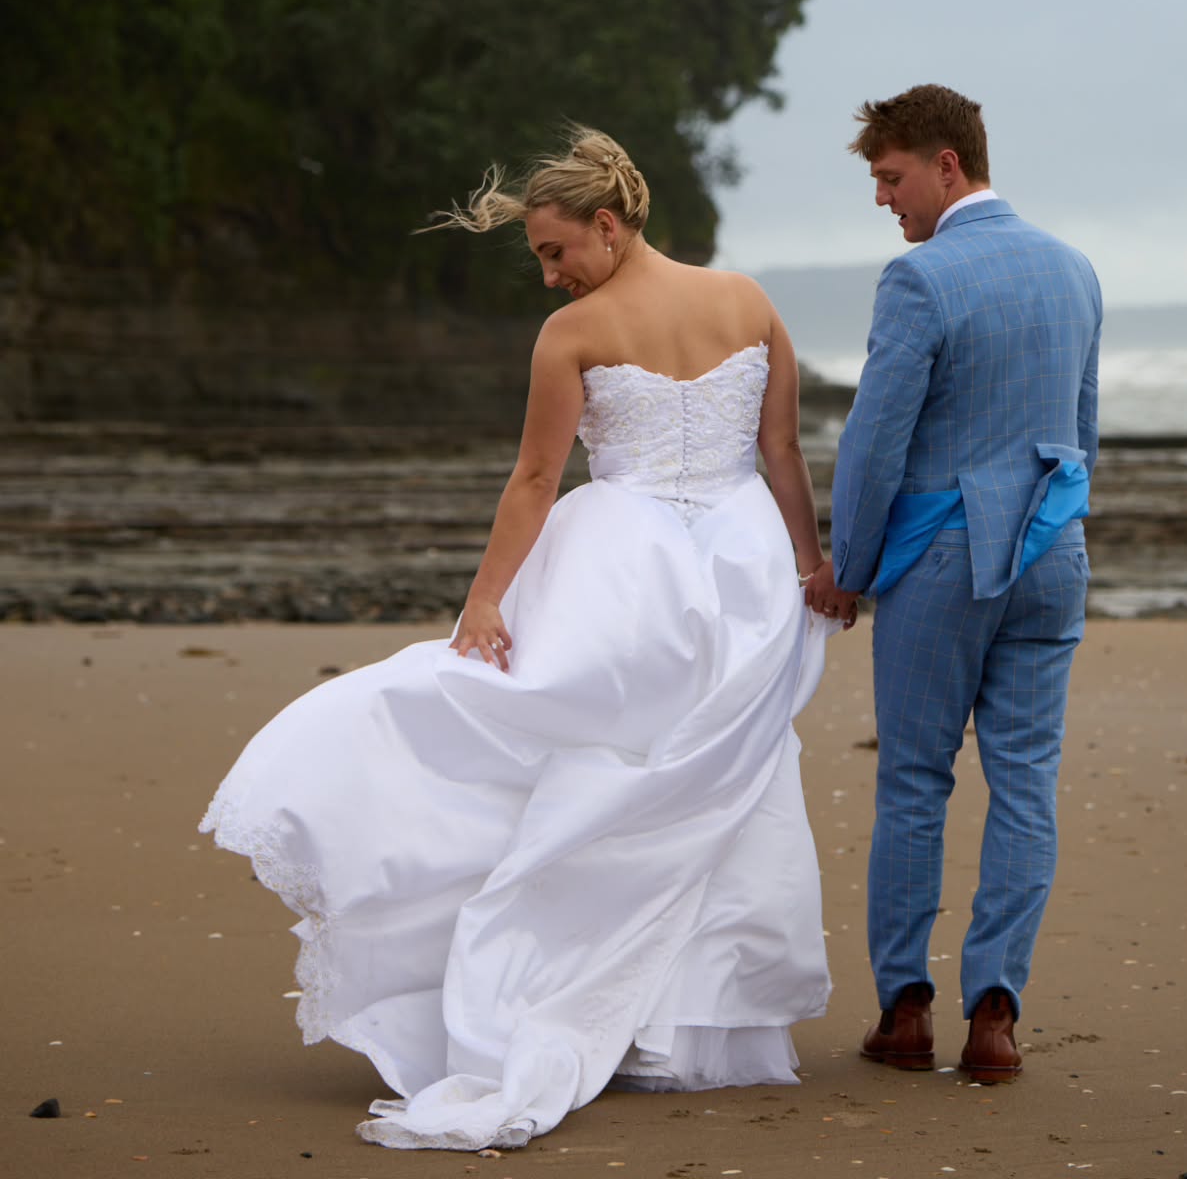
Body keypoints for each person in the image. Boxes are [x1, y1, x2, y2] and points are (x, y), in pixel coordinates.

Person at [201, 126, 835, 1152]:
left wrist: (486, 602)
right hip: (743, 565)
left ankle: (614, 1011)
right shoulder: (747, 302)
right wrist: (809, 564)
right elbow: (780, 454)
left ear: (608, 223)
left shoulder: (573, 335)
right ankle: (674, 1022)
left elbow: (537, 481)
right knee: (700, 780)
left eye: (555, 252)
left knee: (607, 762)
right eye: (539, 258)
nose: (549, 276)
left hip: (629, 563)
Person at [806, 84, 1101, 1079]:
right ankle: (997, 1017)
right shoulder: (1076, 271)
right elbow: (1084, 426)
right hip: (1053, 557)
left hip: (942, 562)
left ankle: (905, 1010)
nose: (884, 200)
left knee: (915, 784)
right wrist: (1056, 526)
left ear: (946, 165)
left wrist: (846, 571)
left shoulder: (921, 280)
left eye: (890, 179)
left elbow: (876, 443)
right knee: (1025, 785)